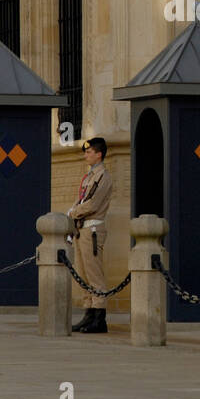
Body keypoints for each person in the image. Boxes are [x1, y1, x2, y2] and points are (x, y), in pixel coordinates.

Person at [69, 137, 112, 333]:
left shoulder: (103, 176)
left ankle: (99, 316)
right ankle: (89, 313)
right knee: (84, 274)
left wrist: (73, 213)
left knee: (94, 274)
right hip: (82, 229)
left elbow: (93, 204)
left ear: (99, 154)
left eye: (89, 152)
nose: (86, 155)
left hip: (93, 229)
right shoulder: (89, 176)